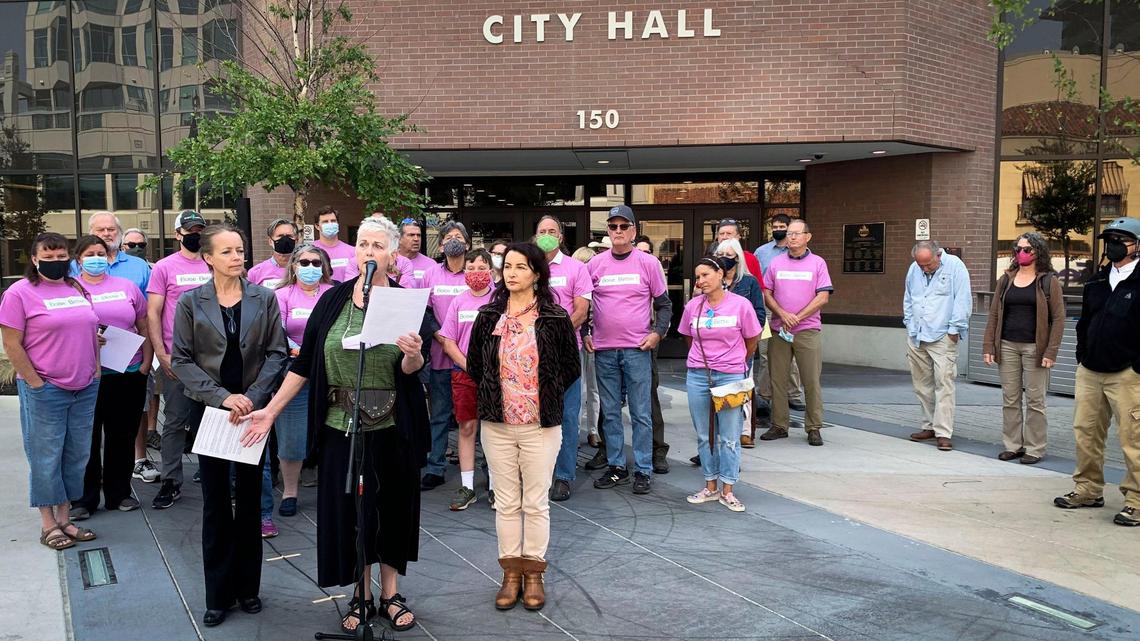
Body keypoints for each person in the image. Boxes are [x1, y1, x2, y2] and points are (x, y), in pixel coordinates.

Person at [241, 216, 431, 633]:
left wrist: (412, 353)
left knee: (391, 507)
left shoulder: (408, 302)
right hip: (339, 424)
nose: (368, 252)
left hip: (393, 425)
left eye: (378, 245)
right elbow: (305, 363)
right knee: (351, 509)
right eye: (362, 244)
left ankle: (390, 592)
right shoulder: (332, 301)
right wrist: (270, 410)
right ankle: (360, 594)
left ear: (393, 254)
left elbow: (414, 368)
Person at [169, 224, 288, 627]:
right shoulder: (190, 302)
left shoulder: (264, 298)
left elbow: (277, 353)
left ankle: (248, 588)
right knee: (217, 504)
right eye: (227, 252)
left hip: (253, 412)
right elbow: (181, 360)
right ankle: (218, 594)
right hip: (213, 412)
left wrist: (253, 397)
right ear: (208, 258)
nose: (238, 257)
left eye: (240, 250)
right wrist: (221, 397)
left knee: (252, 499)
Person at [467, 243, 580, 611]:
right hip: (497, 424)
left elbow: (569, 367)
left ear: (536, 273)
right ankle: (510, 572)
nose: (511, 273)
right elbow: (474, 365)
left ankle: (533, 572)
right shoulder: (488, 315)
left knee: (535, 502)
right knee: (505, 502)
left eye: (520, 267)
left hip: (540, 425)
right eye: (508, 267)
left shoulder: (555, 316)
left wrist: (541, 392)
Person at [0, 233, 101, 551]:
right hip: (47, 388)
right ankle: (48, 525)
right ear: (34, 259)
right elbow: (11, 343)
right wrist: (35, 383)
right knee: (46, 457)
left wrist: (95, 370)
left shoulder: (76, 287)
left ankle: (65, 518)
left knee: (77, 456)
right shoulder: (19, 293)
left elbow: (90, 330)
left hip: (84, 386)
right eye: (49, 256)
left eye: (62, 256)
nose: (56, 262)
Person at [1054, 217, 1140, 528]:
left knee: (1134, 438)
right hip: (1091, 369)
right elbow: (1085, 322)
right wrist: (1081, 356)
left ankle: (1136, 500)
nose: (1114, 245)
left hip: (1128, 373)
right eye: (1110, 239)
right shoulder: (1097, 281)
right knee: (1085, 432)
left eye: (1121, 239)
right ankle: (1088, 489)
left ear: (1137, 245)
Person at [586, 205, 671, 495]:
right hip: (605, 351)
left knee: (641, 413)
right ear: (608, 231)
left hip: (637, 350)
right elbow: (583, 304)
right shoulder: (595, 265)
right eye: (613, 227)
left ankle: (644, 469)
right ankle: (617, 467)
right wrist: (586, 332)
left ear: (633, 230)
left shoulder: (647, 263)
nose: (618, 231)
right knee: (610, 412)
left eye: (624, 226)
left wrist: (657, 334)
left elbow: (664, 305)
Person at [71, 236, 152, 520]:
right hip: (88, 375)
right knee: (87, 437)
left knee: (122, 434)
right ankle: (84, 498)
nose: (96, 258)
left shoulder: (127, 287)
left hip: (128, 371)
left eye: (101, 253)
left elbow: (143, 323)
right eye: (90, 254)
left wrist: (146, 361)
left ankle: (119, 493)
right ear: (78, 260)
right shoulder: (71, 290)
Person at [680, 257, 762, 512]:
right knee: (705, 436)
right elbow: (687, 335)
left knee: (729, 437)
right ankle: (710, 485)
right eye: (698, 277)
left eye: (705, 275)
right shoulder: (693, 306)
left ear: (720, 274)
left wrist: (736, 361)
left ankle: (728, 488)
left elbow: (752, 338)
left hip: (730, 377)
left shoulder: (741, 305)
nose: (700, 281)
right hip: (698, 374)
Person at [147, 210, 211, 509]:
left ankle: (213, 475)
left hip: (213, 358)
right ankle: (171, 480)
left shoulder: (215, 262)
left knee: (211, 420)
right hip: (179, 358)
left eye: (199, 229)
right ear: (178, 234)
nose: (194, 234)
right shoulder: (164, 267)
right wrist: (161, 353)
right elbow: (153, 313)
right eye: (189, 230)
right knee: (175, 421)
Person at [982, 233, 1064, 465]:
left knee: (1036, 401)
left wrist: (1051, 351)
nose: (1021, 253)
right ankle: (1013, 445)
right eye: (1018, 248)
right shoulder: (1006, 279)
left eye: (1027, 249)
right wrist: (989, 345)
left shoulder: (1049, 281)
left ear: (1038, 252)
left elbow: (1058, 319)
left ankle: (1035, 448)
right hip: (1007, 345)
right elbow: (995, 314)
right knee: (1010, 398)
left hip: (1035, 348)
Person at [272, 243, 334, 517]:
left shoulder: (334, 293)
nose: (310, 268)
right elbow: (278, 331)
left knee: (332, 431)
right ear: (294, 266)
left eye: (316, 263)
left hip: (330, 373)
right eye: (305, 263)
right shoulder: (282, 295)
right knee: (291, 436)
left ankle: (330, 486)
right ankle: (290, 492)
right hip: (294, 370)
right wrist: (300, 351)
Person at [761, 219, 833, 446]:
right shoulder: (776, 263)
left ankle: (813, 427)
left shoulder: (818, 263)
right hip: (779, 329)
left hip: (807, 329)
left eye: (796, 233)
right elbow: (766, 292)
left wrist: (797, 317)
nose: (791, 237)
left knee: (811, 380)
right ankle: (779, 425)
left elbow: (823, 296)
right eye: (789, 233)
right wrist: (782, 314)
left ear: (807, 237)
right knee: (778, 380)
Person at [536, 216, 592, 501]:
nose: (547, 235)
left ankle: (564, 475)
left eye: (552, 231)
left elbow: (581, 311)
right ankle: (539, 474)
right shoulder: (530, 268)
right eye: (542, 231)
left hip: (566, 353)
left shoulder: (576, 268)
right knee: (537, 417)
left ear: (560, 236)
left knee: (568, 417)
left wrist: (555, 338)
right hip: (532, 355)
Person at [439, 248, 496, 510]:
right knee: (467, 428)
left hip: (495, 376)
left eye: (482, 268)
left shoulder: (500, 301)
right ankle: (468, 487)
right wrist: (470, 366)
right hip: (464, 374)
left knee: (495, 432)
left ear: (492, 271)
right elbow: (449, 342)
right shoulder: (459, 302)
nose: (476, 274)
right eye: (471, 269)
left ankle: (496, 486)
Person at [903, 240, 972, 451]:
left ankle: (943, 432)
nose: (924, 268)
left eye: (928, 264)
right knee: (922, 385)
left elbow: (963, 299)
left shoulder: (955, 266)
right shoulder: (914, 268)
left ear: (938, 255)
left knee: (944, 385)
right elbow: (908, 297)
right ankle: (929, 426)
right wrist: (908, 323)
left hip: (943, 335)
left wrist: (955, 330)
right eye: (920, 264)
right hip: (917, 334)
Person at [420, 221, 472, 490]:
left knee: (472, 418)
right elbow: (424, 312)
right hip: (440, 358)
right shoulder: (430, 274)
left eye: (459, 237)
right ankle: (435, 467)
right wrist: (439, 335)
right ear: (441, 245)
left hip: (469, 361)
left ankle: (479, 469)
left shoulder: (475, 273)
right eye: (449, 237)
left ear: (467, 243)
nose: (454, 240)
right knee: (439, 415)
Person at [714, 238, 766, 447]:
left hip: (742, 346)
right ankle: (720, 432)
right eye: (721, 255)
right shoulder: (712, 282)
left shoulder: (749, 282)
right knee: (719, 392)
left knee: (741, 388)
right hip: (717, 347)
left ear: (737, 258)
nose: (725, 260)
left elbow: (759, 314)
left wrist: (747, 338)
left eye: (729, 255)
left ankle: (743, 432)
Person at [753, 214, 805, 418]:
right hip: (767, 308)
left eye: (782, 226)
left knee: (793, 354)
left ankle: (794, 394)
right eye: (774, 226)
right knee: (766, 353)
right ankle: (764, 394)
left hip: (792, 310)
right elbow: (757, 280)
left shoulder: (797, 251)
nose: (778, 229)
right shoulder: (762, 252)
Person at [73, 212, 152, 292]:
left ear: (120, 232)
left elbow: (149, 302)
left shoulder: (140, 265)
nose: (106, 234)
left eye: (111, 229)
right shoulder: (76, 265)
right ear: (91, 233)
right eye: (100, 230)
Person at [572, 246, 602, 448]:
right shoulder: (573, 282)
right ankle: (574, 430)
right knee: (578, 389)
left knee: (594, 388)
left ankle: (593, 430)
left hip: (596, 339)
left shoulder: (599, 287)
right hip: (576, 338)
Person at [247, 218, 299, 289]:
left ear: (296, 240)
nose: (285, 240)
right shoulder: (256, 272)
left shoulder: (304, 269)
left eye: (289, 236)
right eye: (280, 236)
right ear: (270, 241)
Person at [315, 205, 360, 282]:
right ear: (317, 226)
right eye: (325, 222)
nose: (330, 224)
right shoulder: (310, 251)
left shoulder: (353, 251)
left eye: (333, 221)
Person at [396, 218, 438, 288]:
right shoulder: (389, 261)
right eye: (411, 235)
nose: (416, 239)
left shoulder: (431, 265)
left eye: (418, 235)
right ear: (399, 238)